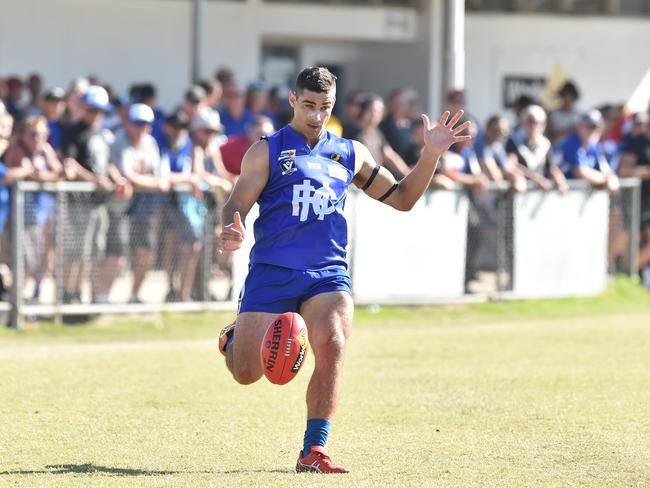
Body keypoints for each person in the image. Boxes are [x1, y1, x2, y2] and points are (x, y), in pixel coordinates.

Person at [218, 67, 471, 473]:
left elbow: (403, 198)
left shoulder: (351, 152)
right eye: (308, 106)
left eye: (325, 107)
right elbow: (236, 202)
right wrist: (233, 227)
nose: (316, 116)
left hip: (327, 274)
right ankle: (233, 338)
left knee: (333, 342)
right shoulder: (266, 151)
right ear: (293, 102)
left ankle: (313, 452)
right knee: (247, 372)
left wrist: (430, 155)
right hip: (272, 271)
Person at [618, 111, 650, 287]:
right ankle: (625, 273)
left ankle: (628, 274)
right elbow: (624, 170)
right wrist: (646, 171)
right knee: (626, 243)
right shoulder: (638, 142)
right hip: (638, 201)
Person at [553, 109, 619, 193]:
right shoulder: (571, 143)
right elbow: (580, 173)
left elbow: (606, 170)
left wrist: (611, 178)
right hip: (557, 194)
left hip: (577, 195)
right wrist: (606, 179)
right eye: (590, 127)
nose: (593, 131)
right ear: (580, 126)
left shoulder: (594, 146)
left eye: (596, 128)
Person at [505, 105, 568, 193]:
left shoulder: (545, 144)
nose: (533, 126)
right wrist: (536, 178)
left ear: (543, 125)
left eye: (537, 122)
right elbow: (511, 165)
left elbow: (551, 167)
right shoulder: (514, 140)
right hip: (520, 190)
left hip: (537, 193)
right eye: (529, 121)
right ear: (523, 123)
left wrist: (560, 179)